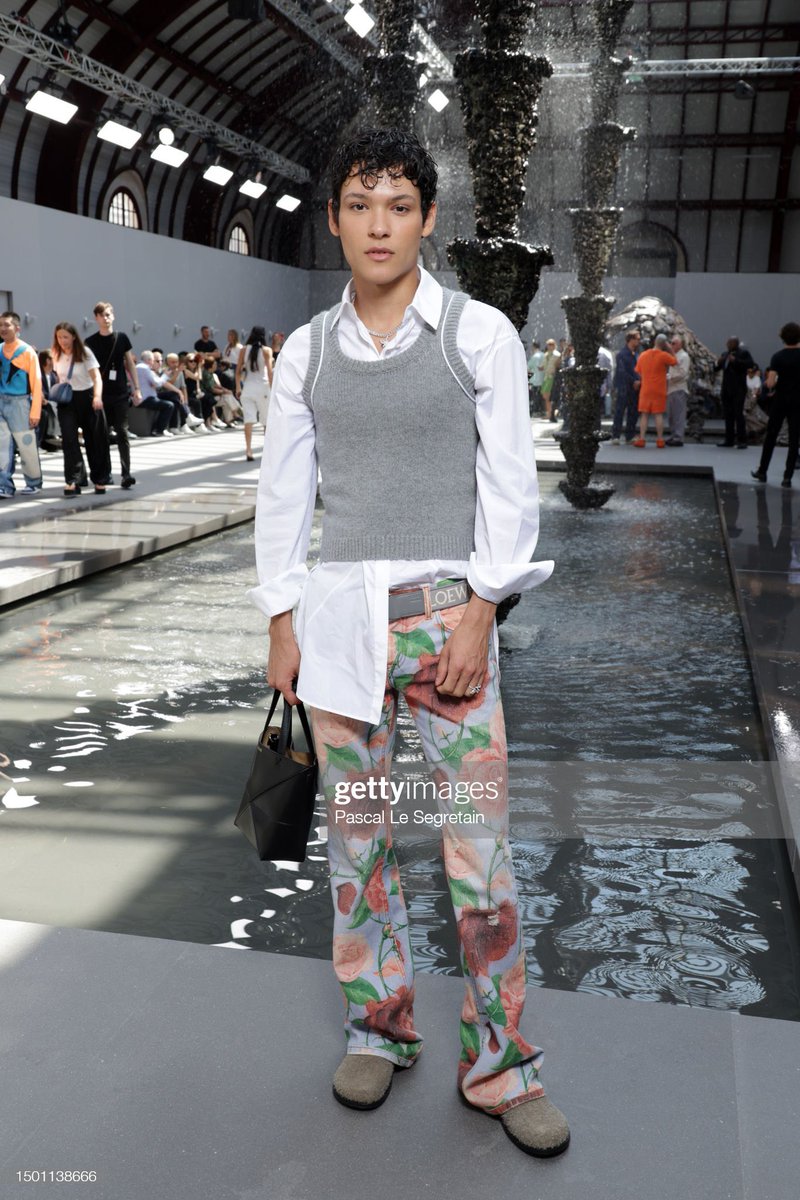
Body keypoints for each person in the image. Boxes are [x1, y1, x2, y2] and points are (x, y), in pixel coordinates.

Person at [249, 127, 568, 1158]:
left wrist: (481, 612)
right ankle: (377, 1029)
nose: (377, 225)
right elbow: (284, 496)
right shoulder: (307, 352)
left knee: (479, 854)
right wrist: (281, 621)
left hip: (446, 624)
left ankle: (502, 1066)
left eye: (397, 206)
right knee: (359, 846)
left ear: (427, 219)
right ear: (334, 220)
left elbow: (509, 485)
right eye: (359, 205)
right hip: (338, 630)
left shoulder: (476, 335)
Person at [85, 301, 140, 489]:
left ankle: (126, 473)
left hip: (120, 393)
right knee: (102, 434)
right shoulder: (90, 342)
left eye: (108, 314)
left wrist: (136, 388)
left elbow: (130, 363)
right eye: (102, 315)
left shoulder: (121, 338)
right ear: (96, 318)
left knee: (122, 432)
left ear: (113, 316)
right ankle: (105, 473)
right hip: (100, 394)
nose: (105, 318)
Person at [52, 321, 109, 495]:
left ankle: (100, 479)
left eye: (66, 337)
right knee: (69, 440)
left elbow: (97, 377)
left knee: (94, 439)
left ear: (74, 337)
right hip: (67, 400)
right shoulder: (56, 353)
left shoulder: (85, 353)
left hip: (88, 397)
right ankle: (74, 480)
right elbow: (59, 377)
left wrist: (97, 396)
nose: (62, 340)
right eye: (59, 337)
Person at [751, 321, 800, 488]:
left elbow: (770, 383)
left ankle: (762, 471)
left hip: (780, 400)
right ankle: (787, 477)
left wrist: (772, 383)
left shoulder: (777, 357)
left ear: (783, 338)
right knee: (794, 439)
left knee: (771, 435)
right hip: (797, 400)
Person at [0, 311, 43, 497]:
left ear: (17, 328)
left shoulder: (27, 352)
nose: (3, 328)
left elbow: (37, 383)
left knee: (26, 445)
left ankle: (34, 482)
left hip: (21, 404)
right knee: (2, 446)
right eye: (0, 325)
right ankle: (5, 485)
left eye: (7, 325)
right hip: (1, 401)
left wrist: (35, 412)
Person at [235, 325, 273, 461]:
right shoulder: (266, 350)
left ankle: (249, 450)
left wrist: (238, 388)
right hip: (263, 388)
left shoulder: (244, 350)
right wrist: (273, 389)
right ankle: (267, 451)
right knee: (266, 420)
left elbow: (238, 371)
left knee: (248, 420)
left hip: (248, 388)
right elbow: (269, 372)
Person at [632, 333, 677, 448]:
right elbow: (675, 362)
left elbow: (638, 370)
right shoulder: (664, 355)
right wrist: (670, 349)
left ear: (654, 342)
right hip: (659, 390)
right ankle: (660, 440)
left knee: (644, 414)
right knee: (658, 415)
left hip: (646, 389)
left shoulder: (643, 355)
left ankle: (642, 439)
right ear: (664, 344)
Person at [715, 336, 755, 448]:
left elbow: (750, 364)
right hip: (726, 389)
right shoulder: (725, 354)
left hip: (738, 389)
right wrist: (718, 362)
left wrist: (736, 361)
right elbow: (716, 368)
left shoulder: (743, 353)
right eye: (728, 342)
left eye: (731, 342)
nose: (728, 344)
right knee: (728, 415)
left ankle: (742, 440)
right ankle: (729, 440)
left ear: (736, 343)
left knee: (738, 414)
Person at [134, 350, 178, 436]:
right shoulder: (145, 368)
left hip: (140, 398)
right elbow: (157, 383)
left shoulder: (137, 367)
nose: (153, 362)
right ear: (149, 360)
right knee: (169, 405)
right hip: (145, 398)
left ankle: (162, 428)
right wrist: (165, 375)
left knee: (171, 397)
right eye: (153, 360)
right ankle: (158, 430)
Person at [610, 330, 640, 445]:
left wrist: (638, 380)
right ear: (630, 340)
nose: (639, 341)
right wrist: (634, 381)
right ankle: (616, 436)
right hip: (624, 387)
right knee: (620, 411)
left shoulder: (636, 354)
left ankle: (629, 435)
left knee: (633, 412)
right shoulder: (622, 354)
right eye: (637, 339)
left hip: (634, 388)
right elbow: (622, 372)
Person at [665, 333, 691, 446]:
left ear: (680, 344)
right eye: (671, 343)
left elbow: (683, 373)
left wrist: (669, 377)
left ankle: (678, 437)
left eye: (674, 343)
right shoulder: (674, 355)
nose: (671, 345)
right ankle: (673, 435)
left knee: (678, 415)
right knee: (671, 415)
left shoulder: (684, 356)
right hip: (671, 389)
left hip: (679, 389)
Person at [539, 338, 560, 421]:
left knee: (549, 395)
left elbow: (558, 365)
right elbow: (543, 365)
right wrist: (541, 367)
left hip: (552, 377)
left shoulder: (557, 355)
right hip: (546, 376)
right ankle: (550, 412)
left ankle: (551, 413)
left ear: (554, 345)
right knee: (545, 395)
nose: (549, 346)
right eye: (548, 344)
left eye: (551, 344)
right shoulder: (546, 354)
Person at [527, 340, 544, 415]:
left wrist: (527, 378)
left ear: (533, 347)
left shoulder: (534, 357)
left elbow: (528, 368)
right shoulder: (543, 355)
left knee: (534, 397)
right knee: (541, 397)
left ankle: (534, 411)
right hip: (543, 379)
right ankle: (541, 411)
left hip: (535, 380)